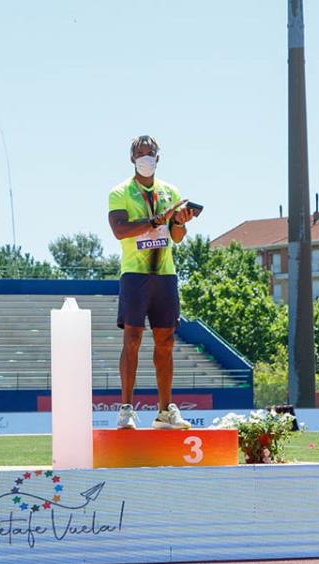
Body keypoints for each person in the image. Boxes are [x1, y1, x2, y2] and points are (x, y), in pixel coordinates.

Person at [107, 135, 197, 430]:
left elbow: (177, 236)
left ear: (158, 158)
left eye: (150, 153)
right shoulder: (120, 192)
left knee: (166, 341)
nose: (146, 158)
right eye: (140, 153)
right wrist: (156, 220)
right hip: (135, 273)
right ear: (132, 158)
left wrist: (179, 221)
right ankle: (126, 409)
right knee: (132, 338)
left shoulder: (171, 191)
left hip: (165, 274)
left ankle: (165, 411)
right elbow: (119, 230)